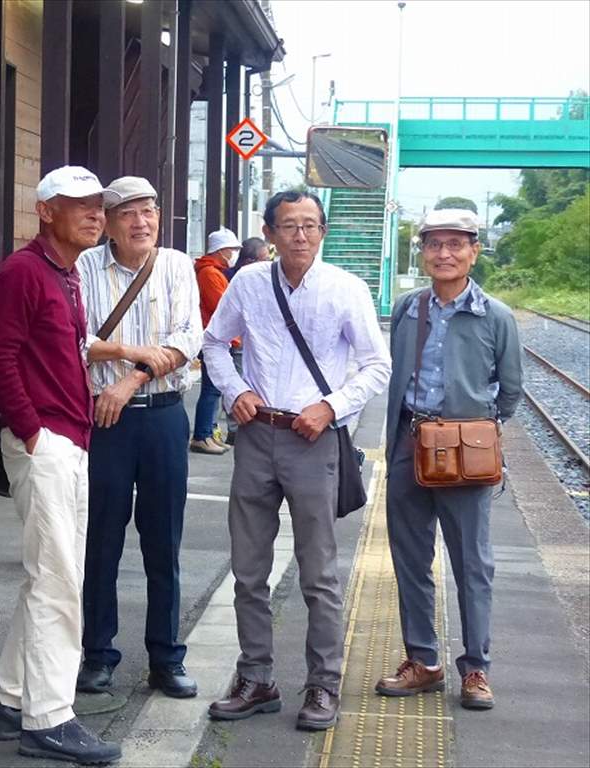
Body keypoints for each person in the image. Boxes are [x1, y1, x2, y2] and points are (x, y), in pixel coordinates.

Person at [202, 191, 390, 731]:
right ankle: (255, 678)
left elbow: (376, 366)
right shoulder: (248, 282)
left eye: (310, 225)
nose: (300, 235)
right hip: (256, 436)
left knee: (319, 573)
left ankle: (323, 684)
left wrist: (330, 407)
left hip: (314, 440)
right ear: (269, 233)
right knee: (247, 569)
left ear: (322, 232)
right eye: (289, 225)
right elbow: (213, 343)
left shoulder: (345, 288)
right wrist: (236, 390)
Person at [0, 166, 122, 765]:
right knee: (59, 581)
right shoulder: (23, 272)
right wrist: (31, 430)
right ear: (46, 211)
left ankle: (14, 702)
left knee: (50, 575)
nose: (96, 215)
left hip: (64, 439)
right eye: (81, 205)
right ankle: (49, 719)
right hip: (46, 441)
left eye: (99, 206)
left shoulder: (65, 273)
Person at [376, 208, 522, 710]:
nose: (444, 254)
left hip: (466, 453)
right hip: (409, 443)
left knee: (472, 563)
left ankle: (476, 668)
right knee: (410, 558)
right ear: (423, 252)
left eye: (456, 244)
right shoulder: (407, 308)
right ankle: (423, 661)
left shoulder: (495, 316)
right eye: (434, 244)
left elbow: (511, 390)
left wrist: (477, 430)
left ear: (474, 251)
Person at [75, 176, 203, 700]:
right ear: (108, 222)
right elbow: (76, 339)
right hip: (104, 422)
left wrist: (129, 380)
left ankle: (166, 657)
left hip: (164, 417)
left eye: (148, 210)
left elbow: (188, 338)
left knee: (163, 543)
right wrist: (131, 352)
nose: (140, 222)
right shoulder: (85, 266)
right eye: (128, 213)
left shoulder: (177, 265)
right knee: (100, 541)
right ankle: (97, 654)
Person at [191, 227, 242, 454]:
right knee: (211, 390)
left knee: (213, 389)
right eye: (232, 249)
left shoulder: (210, 271)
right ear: (221, 251)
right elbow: (221, 306)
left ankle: (208, 433)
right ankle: (202, 435)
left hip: (215, 336)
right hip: (214, 337)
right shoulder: (210, 273)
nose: (234, 254)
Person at [223, 237, 270, 444]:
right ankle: (233, 427)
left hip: (246, 341)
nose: (269, 264)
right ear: (250, 261)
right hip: (236, 340)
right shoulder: (237, 279)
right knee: (235, 383)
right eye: (265, 259)